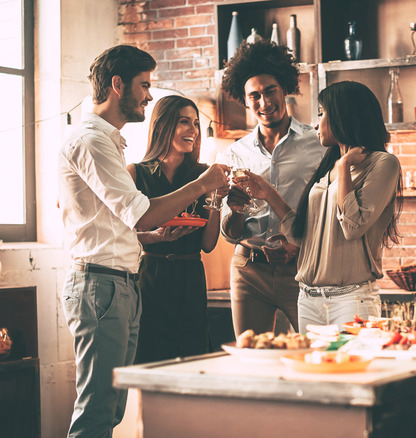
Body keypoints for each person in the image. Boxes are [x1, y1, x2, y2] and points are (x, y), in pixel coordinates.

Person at [58, 45, 229, 438]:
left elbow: (118, 224)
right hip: (100, 285)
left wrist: (151, 238)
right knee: (97, 411)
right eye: (144, 85)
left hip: (122, 282)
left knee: (113, 408)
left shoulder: (110, 142)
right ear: (118, 85)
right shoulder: (92, 141)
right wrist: (203, 185)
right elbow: (141, 212)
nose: (149, 96)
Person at [237, 81, 402, 333]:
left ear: (344, 116)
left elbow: (353, 226)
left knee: (349, 372)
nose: (317, 124)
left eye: (323, 114)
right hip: (308, 299)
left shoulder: (382, 164)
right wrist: (268, 194)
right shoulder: (329, 167)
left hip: (351, 300)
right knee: (313, 371)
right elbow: (302, 234)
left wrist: (345, 165)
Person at [219, 41, 324, 336]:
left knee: (313, 354)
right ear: (244, 100)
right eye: (254, 95)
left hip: (302, 269)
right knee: (251, 358)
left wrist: (298, 247)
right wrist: (236, 209)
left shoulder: (317, 145)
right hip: (248, 270)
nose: (264, 102)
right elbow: (229, 233)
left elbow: (326, 212)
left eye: (270, 91)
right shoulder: (233, 155)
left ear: (284, 89)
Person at [127, 95, 229, 363]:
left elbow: (207, 244)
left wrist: (216, 199)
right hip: (151, 276)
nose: (193, 131)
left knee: (194, 355)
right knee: (148, 356)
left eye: (195, 123)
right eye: (184, 122)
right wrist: (155, 237)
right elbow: (123, 235)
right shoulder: (135, 174)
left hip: (191, 275)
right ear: (162, 125)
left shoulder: (204, 174)